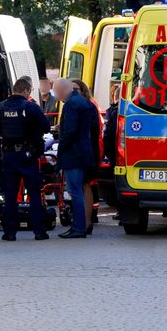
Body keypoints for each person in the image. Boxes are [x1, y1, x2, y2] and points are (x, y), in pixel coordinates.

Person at [0, 76, 51, 241]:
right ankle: (39, 231)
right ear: (25, 91)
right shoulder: (30, 107)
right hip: (27, 155)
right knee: (34, 193)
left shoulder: (1, 107)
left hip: (9, 155)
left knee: (10, 195)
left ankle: (9, 232)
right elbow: (46, 127)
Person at [53, 77, 100, 238]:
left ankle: (78, 227)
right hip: (82, 152)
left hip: (73, 154)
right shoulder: (81, 101)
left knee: (75, 191)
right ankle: (79, 225)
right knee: (78, 190)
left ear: (61, 90)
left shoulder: (71, 104)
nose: (56, 95)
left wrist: (62, 146)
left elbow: (71, 131)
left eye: (56, 92)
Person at [73, 79, 103, 234]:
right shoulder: (80, 105)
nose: (72, 91)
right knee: (82, 186)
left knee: (85, 186)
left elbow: (92, 132)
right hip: (82, 151)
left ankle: (86, 221)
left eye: (75, 88)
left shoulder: (87, 106)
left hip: (87, 152)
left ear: (82, 90)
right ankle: (83, 221)